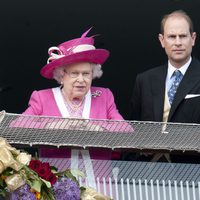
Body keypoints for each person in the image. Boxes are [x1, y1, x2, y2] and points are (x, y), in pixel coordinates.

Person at [22, 28, 127, 188]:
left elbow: (126, 130)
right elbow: (17, 127)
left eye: (86, 74)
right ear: (61, 75)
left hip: (99, 185)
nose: (81, 80)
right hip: (55, 186)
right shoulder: (43, 98)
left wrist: (97, 128)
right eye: (74, 73)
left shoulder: (104, 96)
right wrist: (50, 126)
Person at [129, 10, 200, 163]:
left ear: (193, 38)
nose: (178, 42)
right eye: (171, 36)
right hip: (147, 173)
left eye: (183, 36)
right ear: (162, 40)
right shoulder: (144, 80)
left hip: (192, 171)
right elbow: (133, 129)